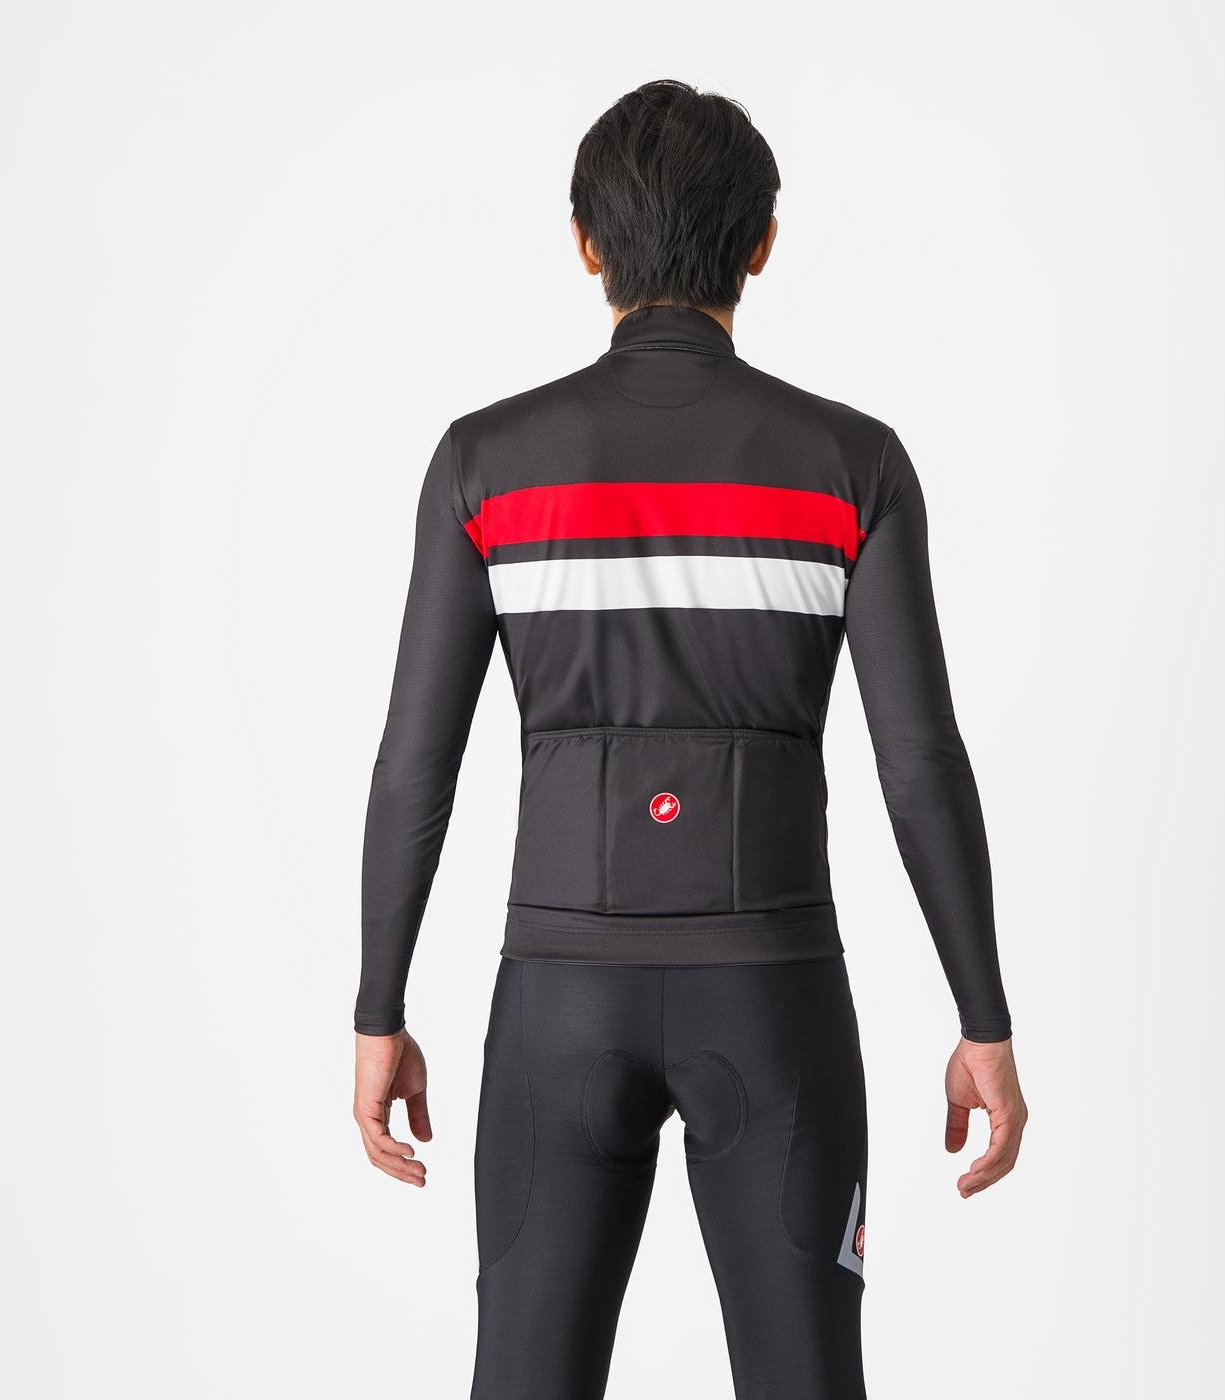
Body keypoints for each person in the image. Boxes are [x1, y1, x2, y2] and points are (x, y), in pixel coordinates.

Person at [353, 78, 1026, 1400]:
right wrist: (982, 1018)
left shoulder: (484, 463)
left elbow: (413, 764)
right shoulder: (853, 464)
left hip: (558, 1001)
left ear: (585, 243)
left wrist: (381, 1008)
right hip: (774, 999)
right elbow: (920, 765)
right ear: (761, 242)